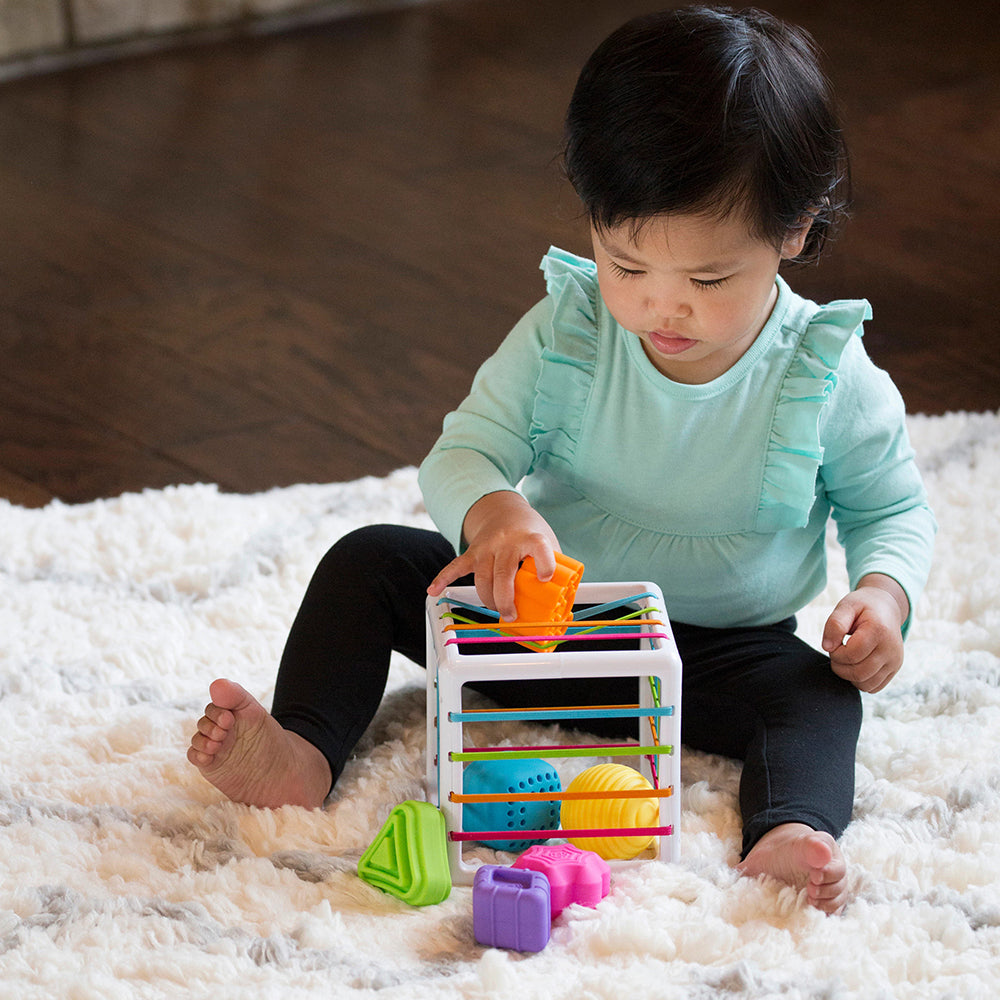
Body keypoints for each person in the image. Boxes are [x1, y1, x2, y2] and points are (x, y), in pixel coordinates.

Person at [187, 6, 935, 915]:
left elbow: (890, 509)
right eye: (626, 265)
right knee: (368, 562)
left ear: (794, 229)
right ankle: (302, 751)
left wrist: (882, 595)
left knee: (820, 699)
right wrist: (493, 511)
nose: (663, 309)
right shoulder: (570, 333)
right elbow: (464, 449)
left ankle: (784, 830)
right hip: (544, 626)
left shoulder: (822, 374)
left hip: (718, 661)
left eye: (706, 281)